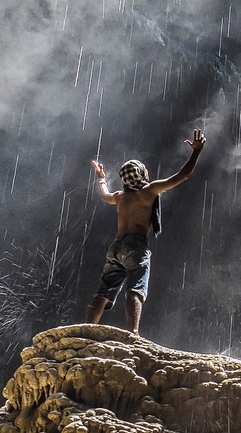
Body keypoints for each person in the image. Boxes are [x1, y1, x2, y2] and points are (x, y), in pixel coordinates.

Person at [85, 128, 206, 333]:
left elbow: (105, 196)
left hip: (116, 246)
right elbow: (183, 175)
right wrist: (196, 151)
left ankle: (86, 329)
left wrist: (101, 178)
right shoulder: (148, 191)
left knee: (104, 289)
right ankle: (133, 332)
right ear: (142, 175)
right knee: (136, 288)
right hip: (136, 244)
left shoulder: (120, 197)